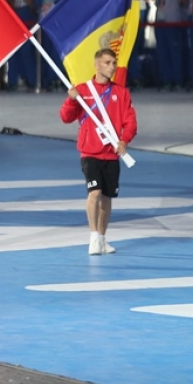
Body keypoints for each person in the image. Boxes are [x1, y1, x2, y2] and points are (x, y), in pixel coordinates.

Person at [59, 48, 138, 256]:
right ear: (97, 65)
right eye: (107, 63)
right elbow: (65, 117)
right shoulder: (82, 90)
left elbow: (130, 121)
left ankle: (102, 238)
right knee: (94, 193)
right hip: (90, 152)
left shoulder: (121, 93)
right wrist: (71, 100)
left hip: (111, 153)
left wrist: (124, 139)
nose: (112, 67)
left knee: (107, 198)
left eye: (113, 63)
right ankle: (93, 238)